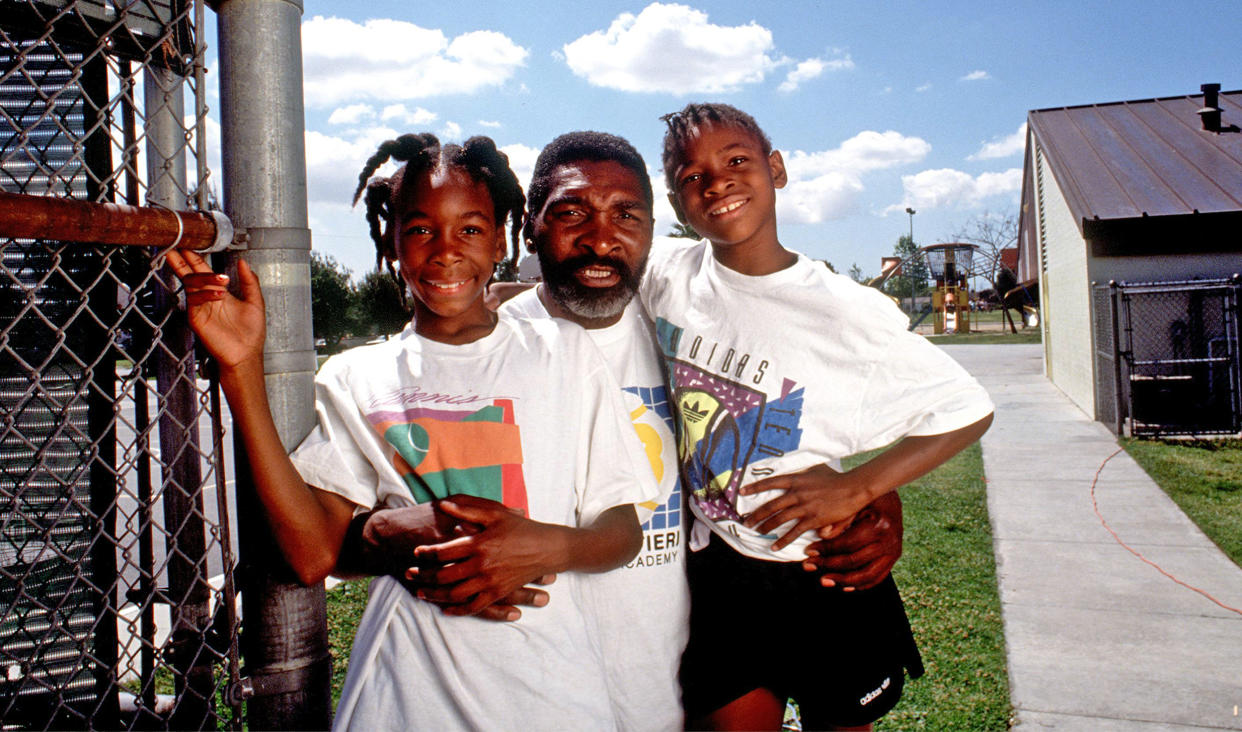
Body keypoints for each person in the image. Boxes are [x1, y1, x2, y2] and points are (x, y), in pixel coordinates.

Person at [352, 131, 911, 731]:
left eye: (625, 215)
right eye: (570, 213)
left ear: (650, 228)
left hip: (681, 667)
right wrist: (380, 531)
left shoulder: (689, 326)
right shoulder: (487, 344)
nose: (599, 238)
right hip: (543, 680)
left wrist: (876, 494)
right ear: (529, 230)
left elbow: (803, 415)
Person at [166, 132, 658, 730]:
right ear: (392, 241)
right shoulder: (357, 375)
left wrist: (540, 545)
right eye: (422, 229)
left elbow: (622, 532)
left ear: (501, 237)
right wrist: (240, 369)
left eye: (471, 229)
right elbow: (311, 554)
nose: (446, 252)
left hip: (552, 689)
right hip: (404, 695)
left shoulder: (566, 351)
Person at [647, 103, 995, 731]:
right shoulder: (667, 274)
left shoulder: (843, 310)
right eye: (691, 175)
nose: (716, 182)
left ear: (775, 169)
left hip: (823, 568)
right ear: (676, 203)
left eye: (735, 161)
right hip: (721, 569)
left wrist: (860, 488)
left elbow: (966, 408)